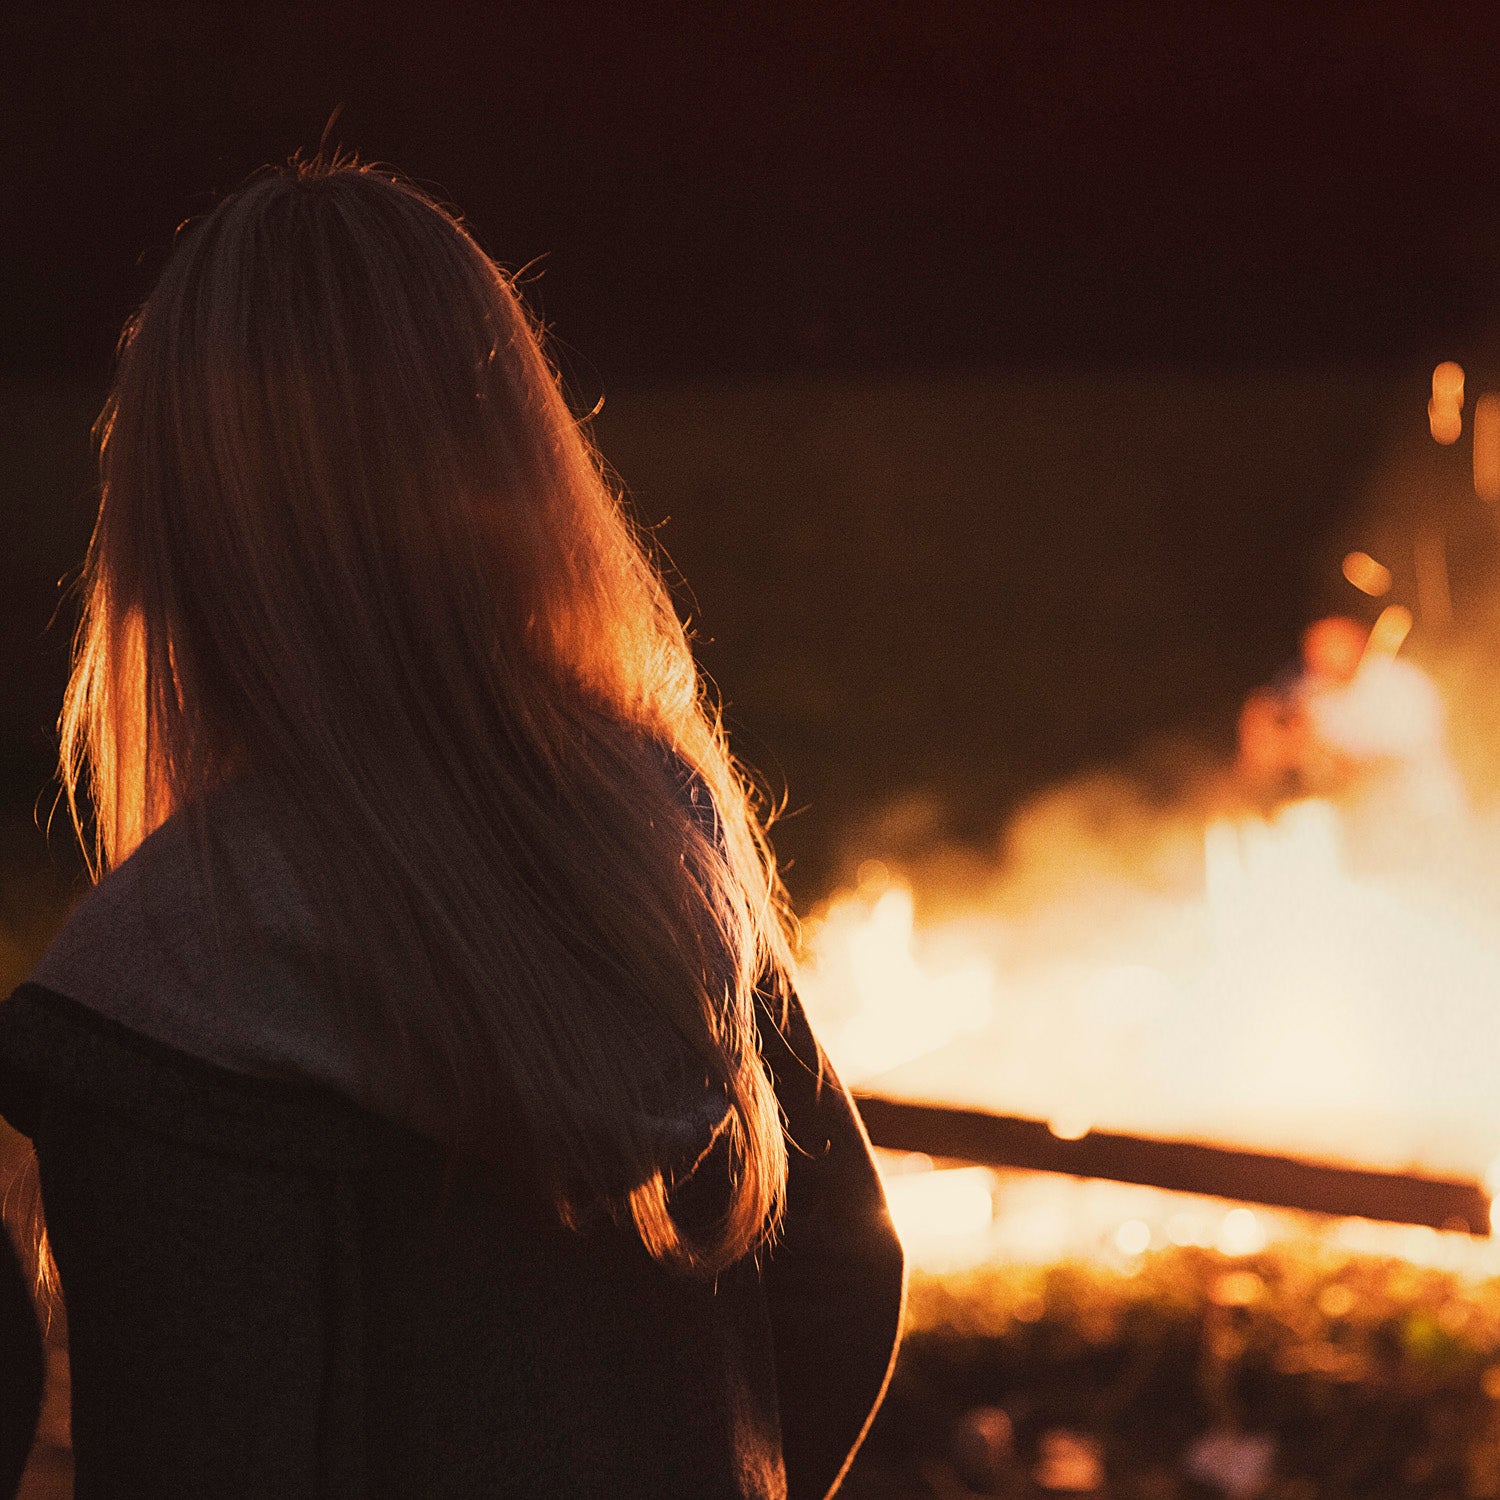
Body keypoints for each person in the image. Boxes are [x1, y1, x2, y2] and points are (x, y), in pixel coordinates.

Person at [0, 156, 904, 1498]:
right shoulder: (655, 848)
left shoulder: (159, 991)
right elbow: (839, 1276)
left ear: (185, 523)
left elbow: (200, 1446)